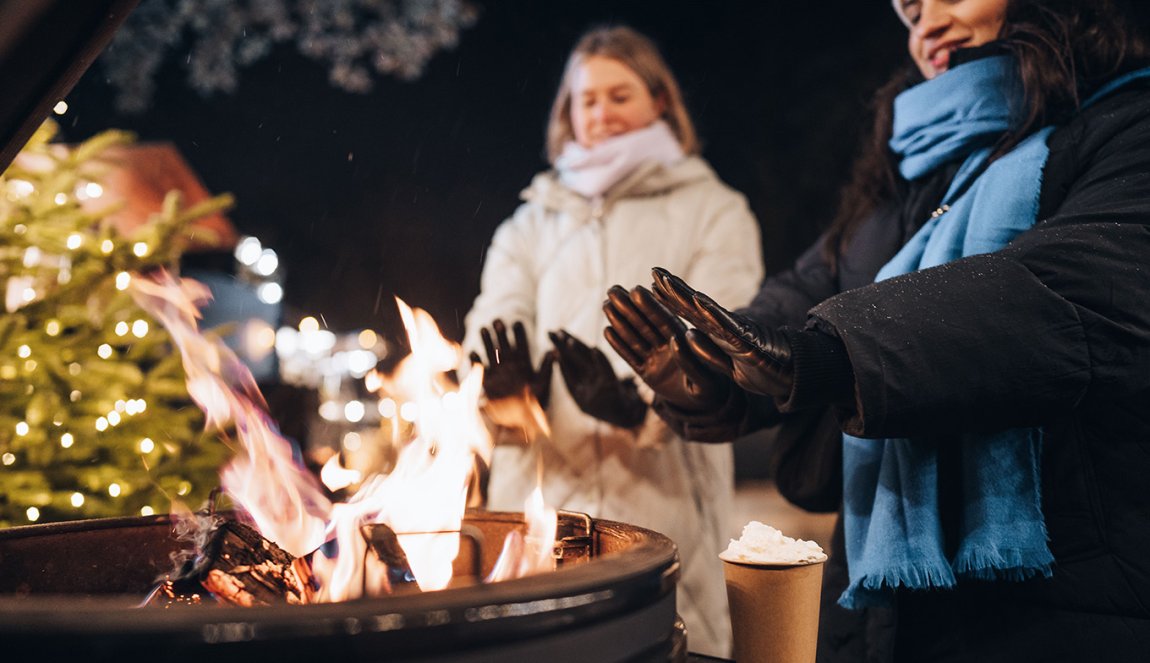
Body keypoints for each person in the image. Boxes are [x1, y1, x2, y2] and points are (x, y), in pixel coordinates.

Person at [604, 1, 1150, 661]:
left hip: (1064, 600)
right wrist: (712, 375)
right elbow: (809, 293)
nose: (929, 22)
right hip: (882, 606)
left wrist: (836, 350)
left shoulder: (1128, 125)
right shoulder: (907, 174)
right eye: (912, 9)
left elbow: (1062, 293)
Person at [463, 25, 764, 657]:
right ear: (566, 114)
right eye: (586, 100)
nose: (600, 114)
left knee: (657, 645)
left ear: (659, 100)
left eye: (619, 95)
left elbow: (724, 333)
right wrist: (500, 383)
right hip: (539, 501)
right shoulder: (529, 222)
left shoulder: (715, 209)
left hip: (664, 494)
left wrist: (640, 401)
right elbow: (496, 313)